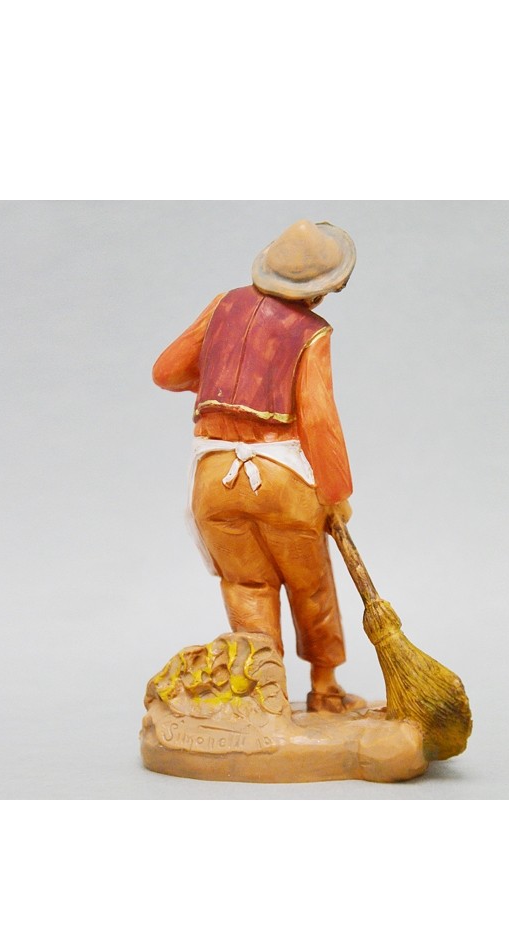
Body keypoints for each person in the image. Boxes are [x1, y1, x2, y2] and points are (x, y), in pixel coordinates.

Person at [152, 219, 365, 712]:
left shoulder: (223, 305)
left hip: (213, 479)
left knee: (246, 585)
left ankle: (264, 696)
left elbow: (166, 371)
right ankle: (325, 689)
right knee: (311, 586)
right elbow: (319, 418)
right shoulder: (311, 333)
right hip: (279, 479)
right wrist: (337, 494)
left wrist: (222, 377)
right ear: (322, 289)